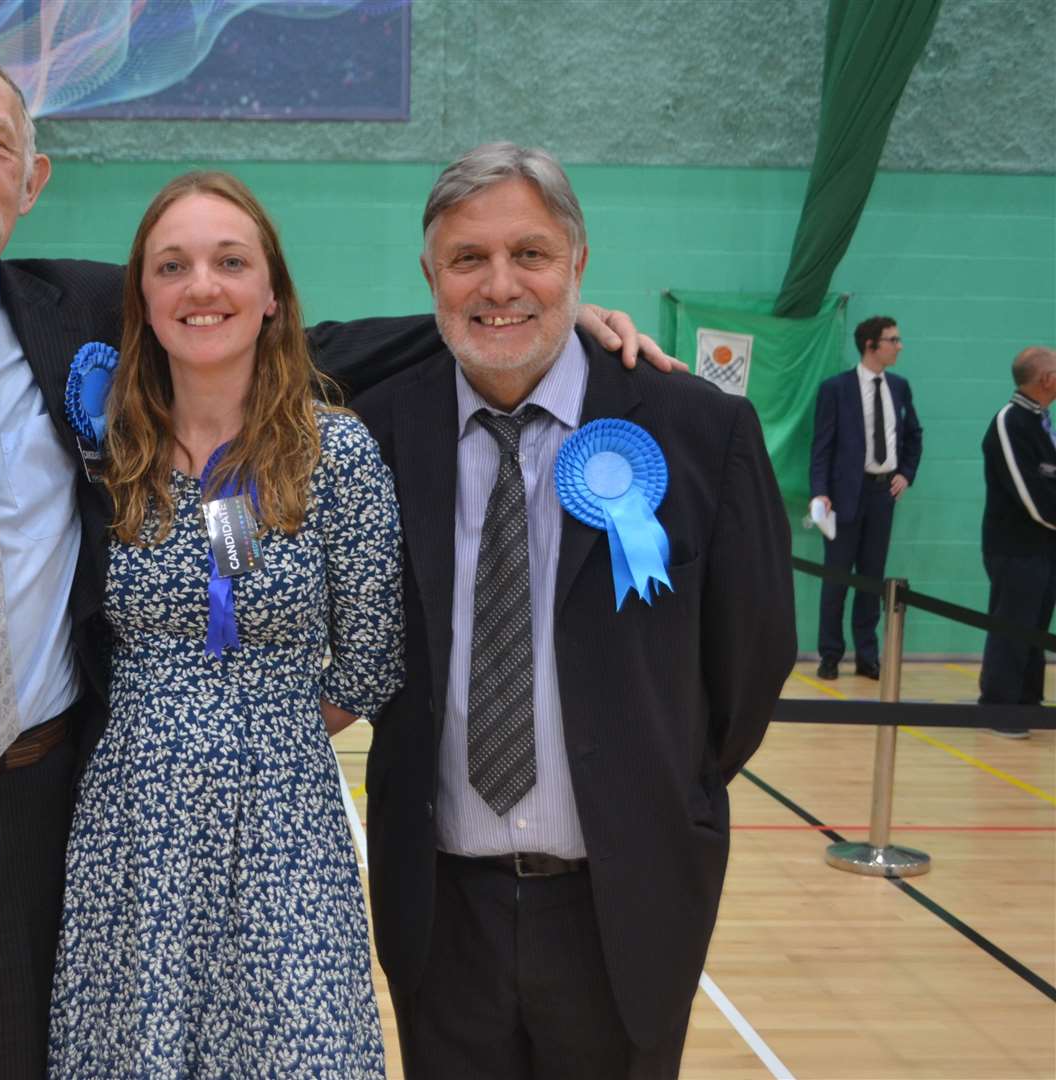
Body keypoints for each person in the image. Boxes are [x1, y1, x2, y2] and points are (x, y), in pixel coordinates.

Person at [0, 49, 667, 1078]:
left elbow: (280, 342)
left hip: (20, 822)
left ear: (29, 181)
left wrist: (533, 327)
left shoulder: (66, 314)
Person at [353, 142, 794, 1079]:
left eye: (532, 256)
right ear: (429, 275)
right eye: (468, 259)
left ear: (579, 264)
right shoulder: (374, 432)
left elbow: (751, 662)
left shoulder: (700, 431)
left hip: (625, 905)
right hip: (441, 910)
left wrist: (655, 787)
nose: (500, 283)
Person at [47, 171, 401, 1076]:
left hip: (286, 824)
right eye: (174, 266)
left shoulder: (337, 454)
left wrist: (252, 726)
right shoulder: (103, 454)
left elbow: (368, 662)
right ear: (145, 300)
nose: (202, 285)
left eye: (230, 261)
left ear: (272, 294)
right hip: (133, 826)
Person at [809, 315, 923, 680]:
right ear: (871, 345)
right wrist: (820, 492)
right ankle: (830, 654)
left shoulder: (900, 387)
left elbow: (913, 435)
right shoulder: (836, 389)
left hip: (881, 494)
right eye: (893, 339)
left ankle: (867, 655)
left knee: (872, 580)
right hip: (843, 496)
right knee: (836, 579)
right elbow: (821, 447)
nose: (899, 346)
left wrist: (905, 473)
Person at [978, 345, 1056, 736]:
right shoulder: (1010, 422)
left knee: (1036, 626)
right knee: (1013, 624)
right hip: (1014, 547)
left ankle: (1027, 703)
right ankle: (999, 706)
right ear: (1045, 379)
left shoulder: (1043, 422)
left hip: (1045, 548)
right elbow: (1031, 497)